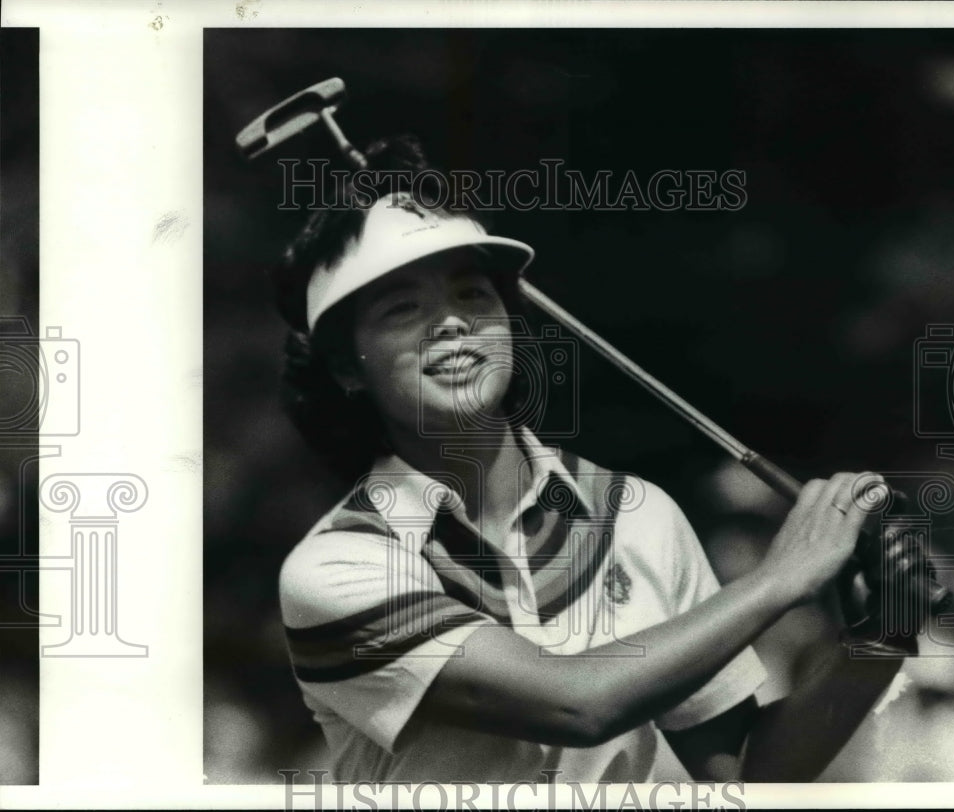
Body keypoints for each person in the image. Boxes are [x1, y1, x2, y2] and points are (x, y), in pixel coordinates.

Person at [273, 136, 916, 783]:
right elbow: (578, 703)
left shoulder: (638, 515)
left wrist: (880, 638)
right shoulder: (337, 566)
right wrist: (782, 578)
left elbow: (745, 773)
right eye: (402, 309)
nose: (450, 323)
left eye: (472, 295)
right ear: (343, 366)